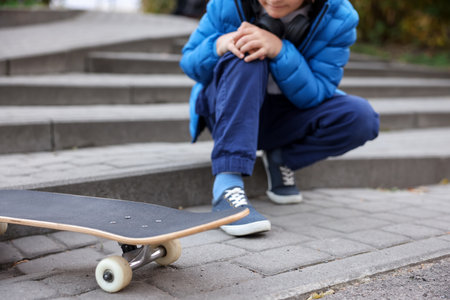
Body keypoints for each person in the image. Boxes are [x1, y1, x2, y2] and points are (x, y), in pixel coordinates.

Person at [180, 0, 379, 237]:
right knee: (247, 51)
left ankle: (281, 158)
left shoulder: (339, 17)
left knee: (361, 117)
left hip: (287, 114)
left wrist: (280, 50)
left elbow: (316, 93)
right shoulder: (227, 3)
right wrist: (220, 44)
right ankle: (227, 186)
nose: (273, 0)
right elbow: (190, 63)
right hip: (225, 109)